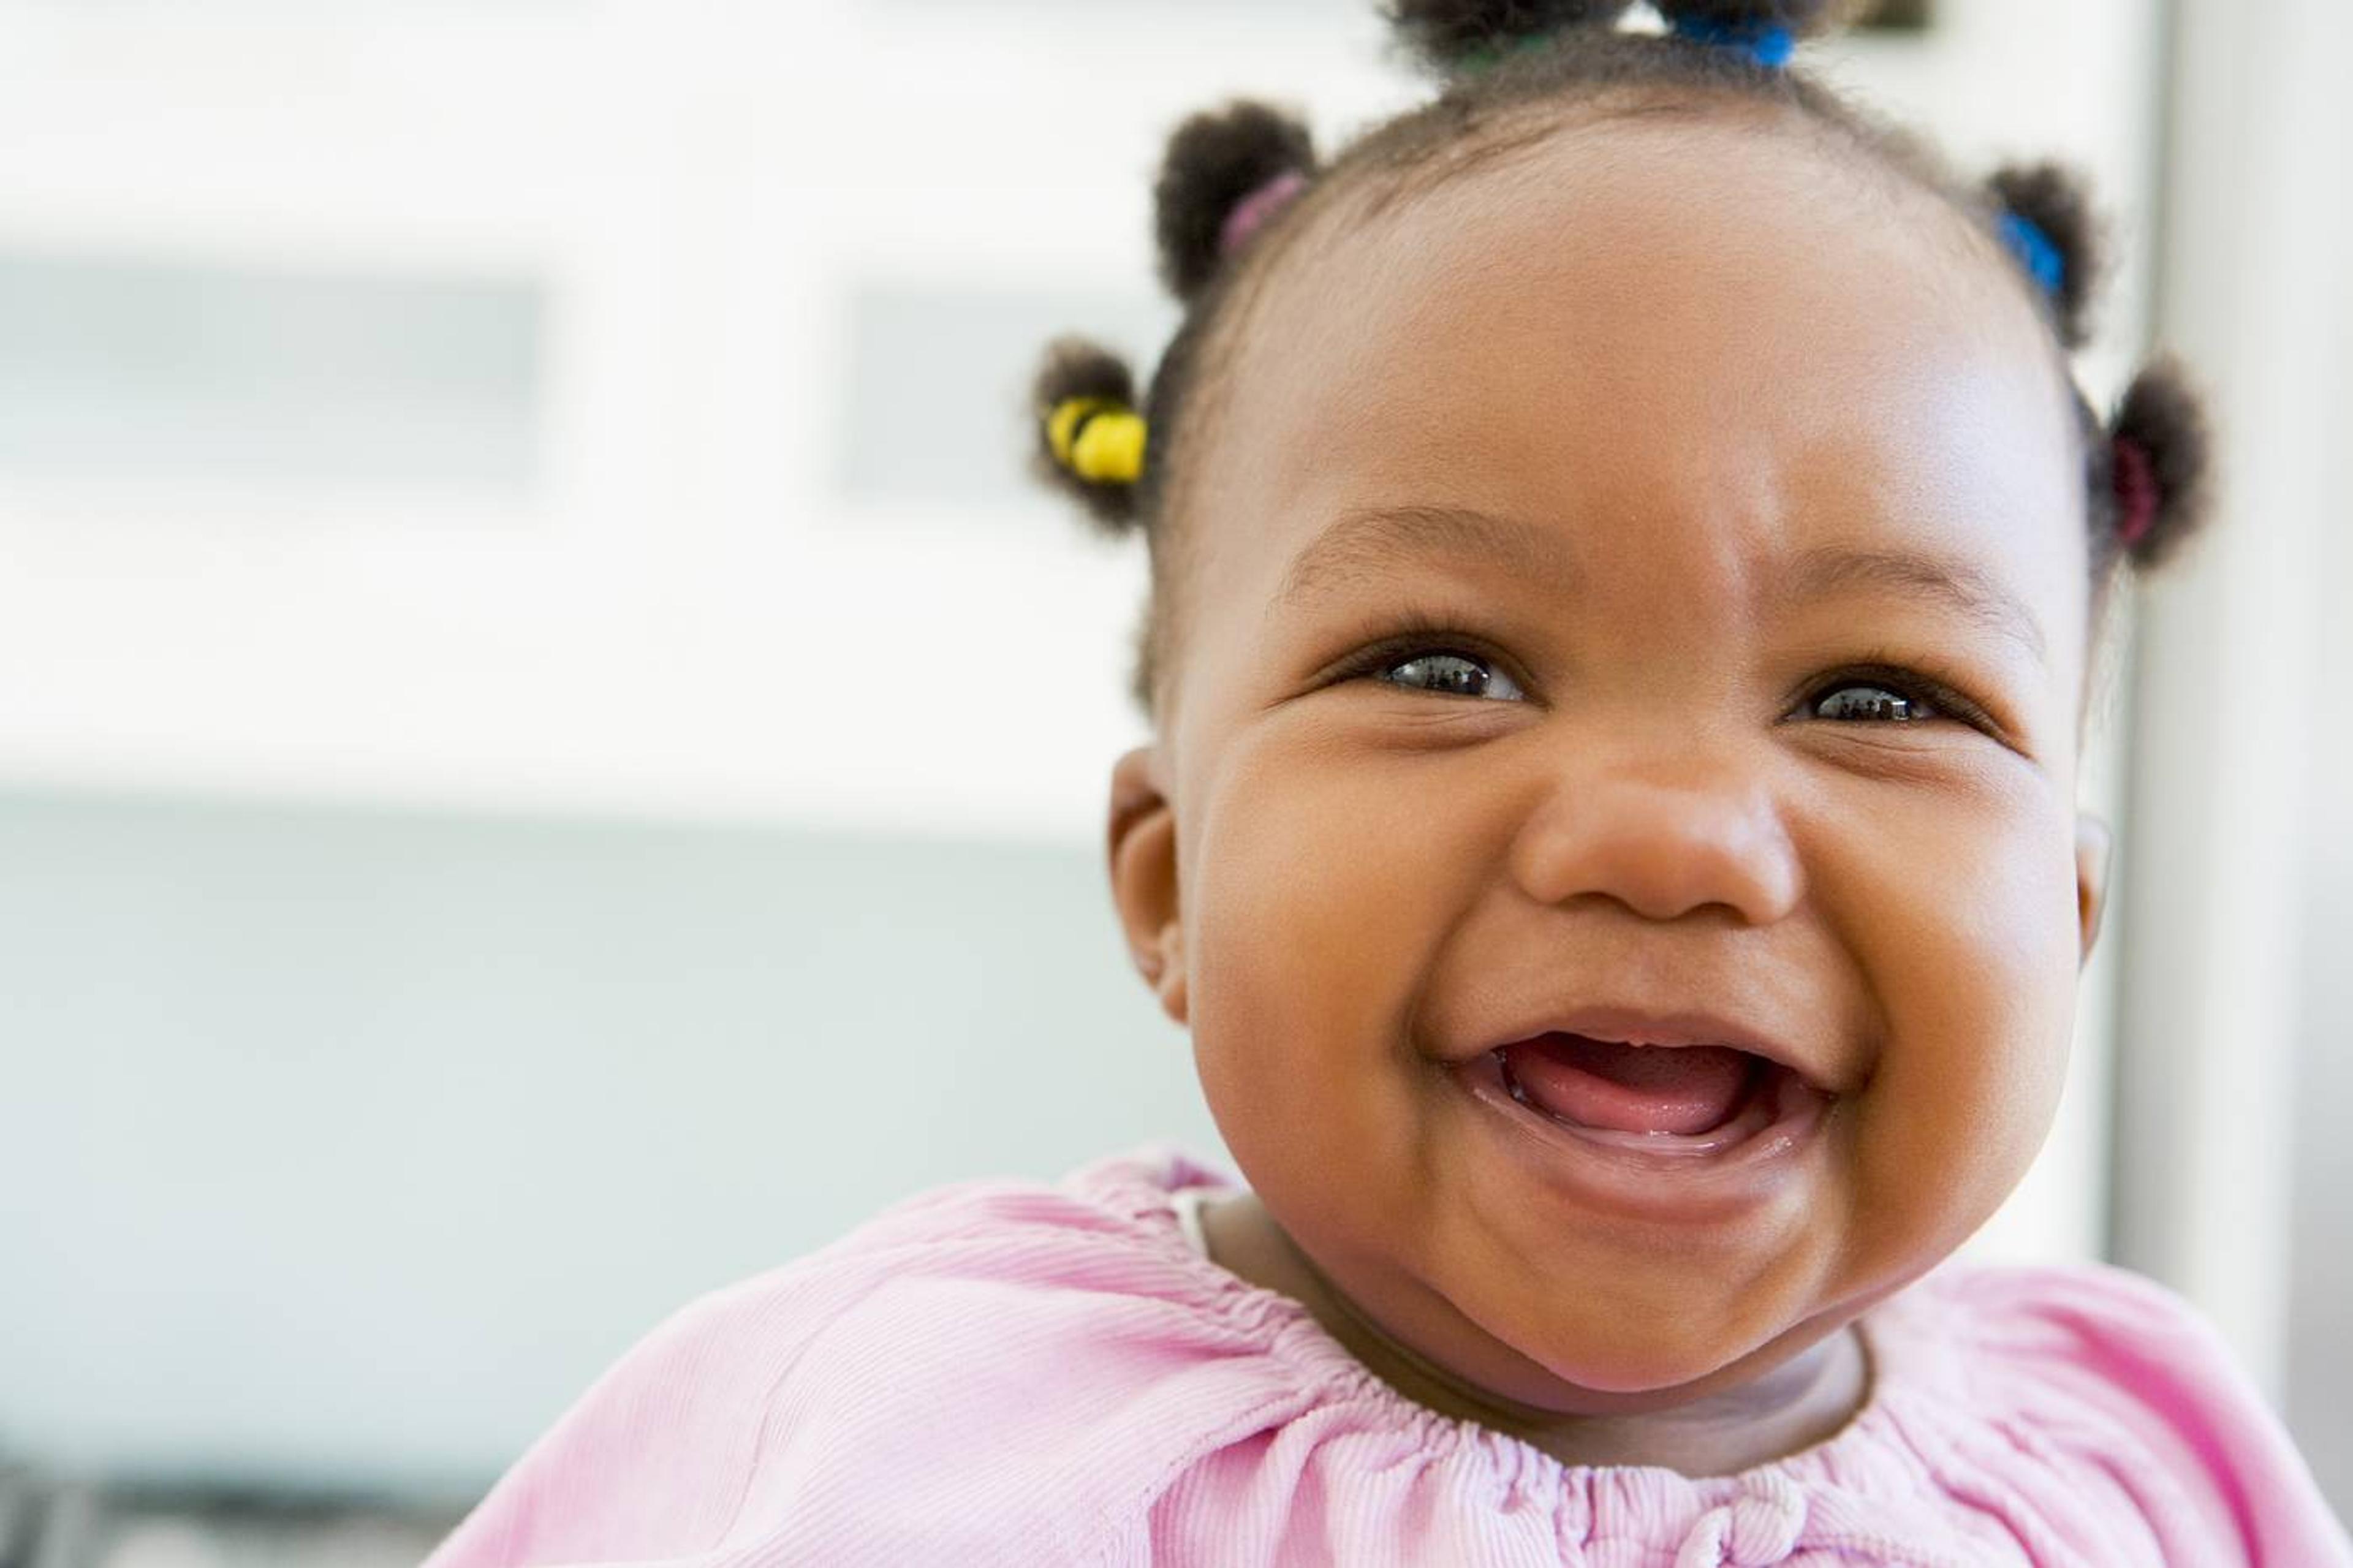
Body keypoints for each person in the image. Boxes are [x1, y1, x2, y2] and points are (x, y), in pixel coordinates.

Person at [422, 2, 2352, 1561]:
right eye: (1447, 670)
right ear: (1168, 884)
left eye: (1876, 696)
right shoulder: (920, 1451)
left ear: (2068, 916)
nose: (1672, 836)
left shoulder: (2143, 1472)